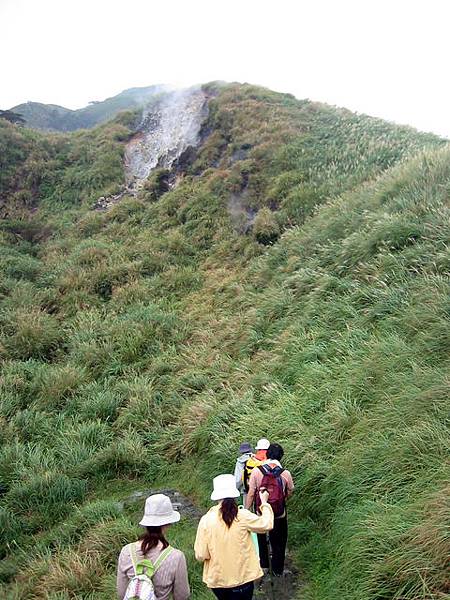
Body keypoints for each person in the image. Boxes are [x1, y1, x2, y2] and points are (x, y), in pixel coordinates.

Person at [194, 474, 274, 599]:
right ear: (234, 494)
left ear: (216, 497)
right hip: (242, 580)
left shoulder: (206, 520)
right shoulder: (242, 515)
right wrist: (264, 503)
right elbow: (266, 524)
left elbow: (201, 555)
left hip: (218, 582)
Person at [117, 493, 190, 600]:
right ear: (168, 523)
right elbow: (182, 595)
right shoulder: (176, 557)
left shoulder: (126, 551)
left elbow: (121, 593)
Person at [245, 443, 294, 576]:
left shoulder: (257, 471)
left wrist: (246, 509)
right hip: (279, 513)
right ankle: (278, 569)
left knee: (261, 539)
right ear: (281, 457)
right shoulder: (285, 474)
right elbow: (289, 491)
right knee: (279, 540)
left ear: (267, 454)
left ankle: (264, 566)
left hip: (260, 512)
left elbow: (251, 493)